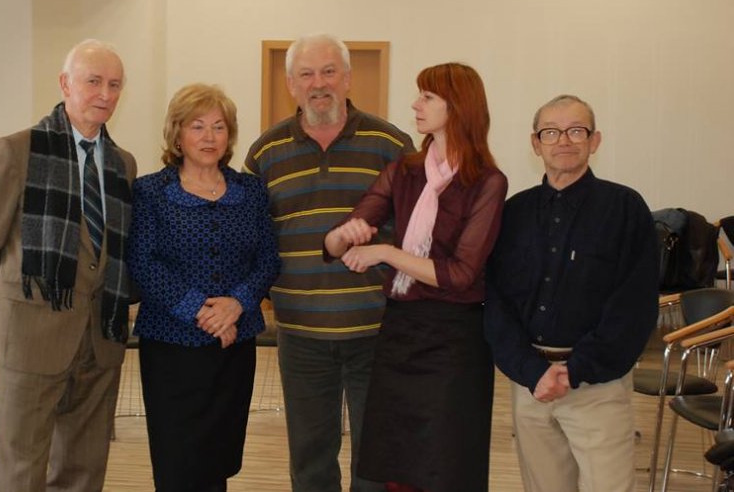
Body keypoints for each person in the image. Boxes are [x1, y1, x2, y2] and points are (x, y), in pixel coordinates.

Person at [324, 62, 507, 492]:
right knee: (398, 466)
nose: (415, 105)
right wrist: (344, 235)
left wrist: (386, 252)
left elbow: (461, 274)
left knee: (445, 468)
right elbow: (337, 243)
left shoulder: (487, 182)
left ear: (457, 106)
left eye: (427, 97)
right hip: (401, 332)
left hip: (454, 341)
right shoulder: (403, 170)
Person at [243, 33, 414, 492]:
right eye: (306, 74)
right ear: (291, 84)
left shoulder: (391, 144)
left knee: (377, 458)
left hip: (377, 331)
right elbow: (252, 240)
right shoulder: (265, 153)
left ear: (348, 78)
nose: (318, 84)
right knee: (310, 458)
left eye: (328, 72)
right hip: (301, 334)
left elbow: (416, 233)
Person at [0, 39, 136, 492]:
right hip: (29, 340)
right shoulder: (17, 151)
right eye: (93, 81)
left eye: (114, 85)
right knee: (21, 471)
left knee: (84, 468)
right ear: (65, 84)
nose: (105, 94)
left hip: (100, 339)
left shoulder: (123, 164)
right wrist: (15, 307)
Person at [484, 94, 659, 492]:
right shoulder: (514, 213)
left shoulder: (625, 208)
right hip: (531, 385)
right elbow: (496, 301)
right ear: (536, 144)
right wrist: (531, 371)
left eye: (576, 131)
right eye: (551, 132)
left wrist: (575, 370)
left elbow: (633, 306)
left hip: (597, 386)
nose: (563, 140)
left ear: (595, 140)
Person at [127, 83, 280, 492]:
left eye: (219, 127)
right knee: (178, 461)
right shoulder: (150, 191)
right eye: (197, 126)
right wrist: (203, 311)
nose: (209, 136)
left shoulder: (251, 191)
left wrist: (236, 305)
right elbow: (143, 263)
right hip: (171, 347)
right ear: (177, 135)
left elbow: (268, 259)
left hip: (235, 346)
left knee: (219, 457)